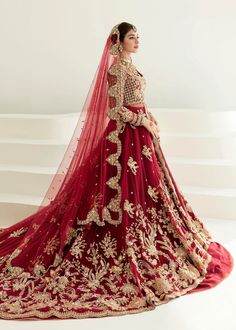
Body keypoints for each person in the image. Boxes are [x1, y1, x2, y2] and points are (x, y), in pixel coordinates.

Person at [0, 22, 233, 320]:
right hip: (125, 138)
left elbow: (137, 102)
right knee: (121, 192)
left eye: (138, 37)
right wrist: (142, 122)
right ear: (118, 41)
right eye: (132, 38)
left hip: (141, 137)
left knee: (151, 191)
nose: (137, 42)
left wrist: (150, 116)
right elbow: (115, 111)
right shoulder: (117, 70)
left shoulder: (131, 66)